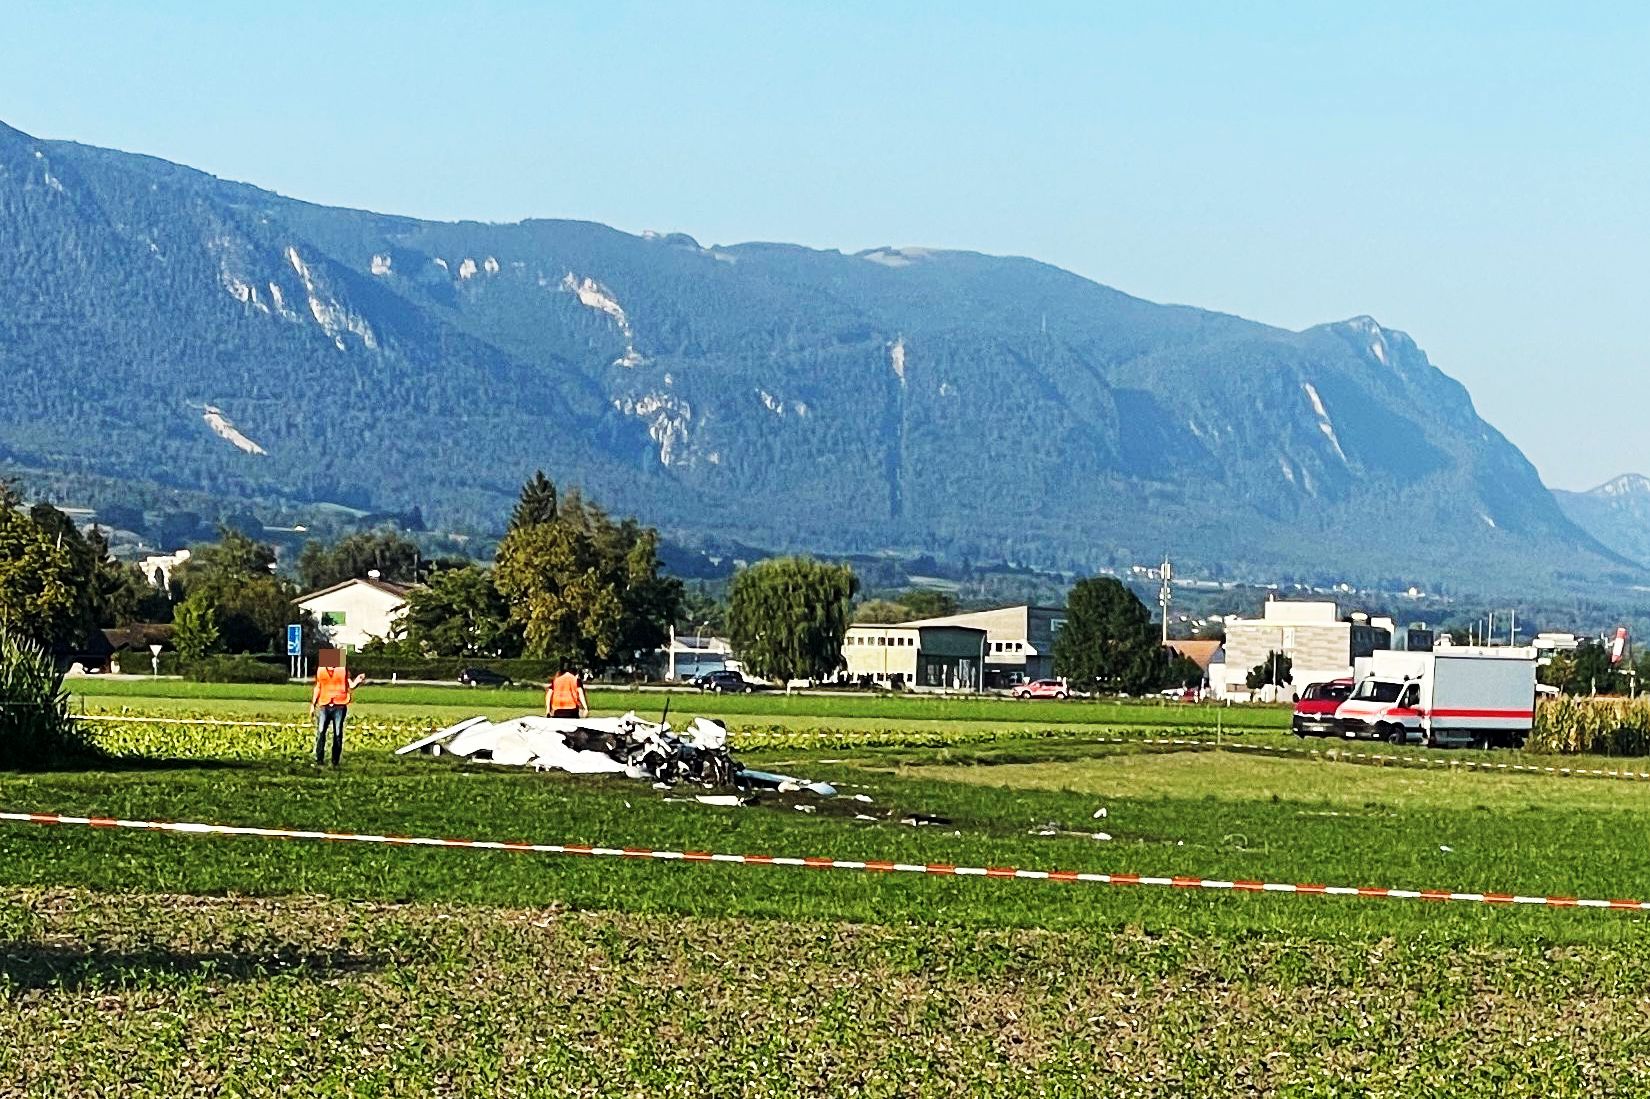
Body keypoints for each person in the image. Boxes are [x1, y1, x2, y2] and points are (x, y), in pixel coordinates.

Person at [310, 649, 367, 767]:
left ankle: (335, 761)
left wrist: (358, 680)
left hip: (340, 705)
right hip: (324, 705)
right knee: (321, 732)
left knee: (338, 733)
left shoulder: (343, 671)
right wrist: (313, 705)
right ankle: (318, 760)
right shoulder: (321, 671)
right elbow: (318, 687)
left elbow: (350, 685)